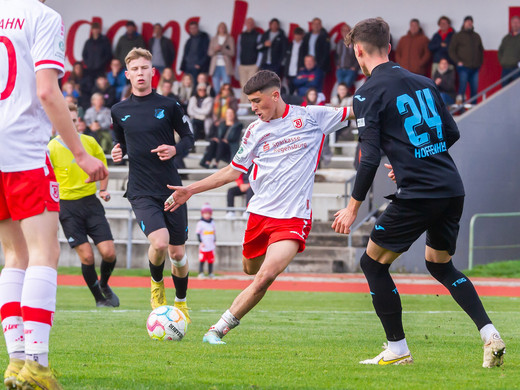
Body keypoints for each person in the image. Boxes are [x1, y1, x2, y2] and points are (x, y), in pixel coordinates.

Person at [333, 17, 505, 367]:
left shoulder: (366, 93)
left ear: (358, 51)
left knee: (372, 263)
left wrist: (353, 206)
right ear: (390, 46)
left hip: (421, 193)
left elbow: (368, 160)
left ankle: (397, 350)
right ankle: (489, 335)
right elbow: (450, 133)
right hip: (450, 187)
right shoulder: (424, 82)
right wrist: (411, 157)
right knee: (439, 265)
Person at [164, 70, 352, 344]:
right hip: (259, 214)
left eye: (256, 101)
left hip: (293, 218)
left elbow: (359, 108)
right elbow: (231, 172)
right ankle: (259, 269)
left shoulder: (311, 116)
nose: (252, 108)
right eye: (250, 102)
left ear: (275, 95)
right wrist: (189, 190)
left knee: (265, 276)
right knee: (251, 270)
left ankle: (216, 329)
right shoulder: (254, 130)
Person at [0, 1, 107, 388]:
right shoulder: (43, 17)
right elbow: (47, 91)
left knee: (13, 256)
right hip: (25, 150)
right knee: (43, 254)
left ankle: (14, 363)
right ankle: (38, 366)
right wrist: (79, 153)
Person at [111, 48, 194, 322]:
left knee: (178, 254)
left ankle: (180, 302)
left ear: (152, 72)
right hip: (141, 189)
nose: (140, 73)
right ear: (128, 75)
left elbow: (188, 139)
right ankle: (156, 285)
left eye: (144, 68)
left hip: (172, 188)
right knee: (160, 243)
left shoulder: (169, 105)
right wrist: (117, 150)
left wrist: (174, 149)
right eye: (135, 69)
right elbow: (120, 141)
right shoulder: (118, 110)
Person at [48, 103, 119, 308]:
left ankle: (104, 284)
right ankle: (99, 299)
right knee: (87, 256)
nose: (72, 125)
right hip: (67, 207)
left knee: (109, 253)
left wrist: (103, 190)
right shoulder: (51, 148)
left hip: (91, 203)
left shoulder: (89, 142)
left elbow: (103, 168)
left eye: (74, 120)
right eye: (67, 121)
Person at [449, 16, 484, 103]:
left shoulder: (476, 36)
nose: (469, 23)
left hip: (475, 67)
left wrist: (479, 62)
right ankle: (460, 110)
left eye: (471, 22)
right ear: (464, 23)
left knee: (474, 90)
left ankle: (474, 108)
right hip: (463, 67)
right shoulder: (458, 36)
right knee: (462, 89)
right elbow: (451, 50)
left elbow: (481, 50)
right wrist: (457, 61)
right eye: (467, 22)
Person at [237, 17, 261, 102]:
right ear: (245, 24)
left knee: (251, 86)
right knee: (243, 86)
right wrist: (238, 63)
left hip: (253, 64)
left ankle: (250, 106)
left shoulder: (258, 35)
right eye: (248, 23)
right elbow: (239, 49)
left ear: (253, 25)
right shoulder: (241, 35)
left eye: (251, 23)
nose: (249, 25)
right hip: (243, 64)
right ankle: (243, 105)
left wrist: (257, 64)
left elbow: (260, 51)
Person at [208, 22, 235, 94]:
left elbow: (232, 52)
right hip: (215, 65)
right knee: (216, 86)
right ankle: (218, 102)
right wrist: (215, 49)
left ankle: (226, 102)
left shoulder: (229, 38)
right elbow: (210, 52)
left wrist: (222, 49)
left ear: (225, 29)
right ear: (218, 29)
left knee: (226, 85)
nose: (222, 29)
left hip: (225, 65)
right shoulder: (214, 39)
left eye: (223, 27)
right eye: (220, 27)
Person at [498, 15, 520, 87]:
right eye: (514, 22)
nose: (515, 24)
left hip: (517, 70)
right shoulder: (506, 38)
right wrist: (502, 61)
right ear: (511, 24)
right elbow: (500, 51)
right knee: (504, 91)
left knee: (517, 91)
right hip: (505, 69)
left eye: (517, 22)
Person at [335, 23, 360, 89]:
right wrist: (337, 65)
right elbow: (336, 56)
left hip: (350, 70)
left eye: (347, 30)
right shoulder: (339, 43)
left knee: (345, 88)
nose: (345, 32)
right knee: (340, 88)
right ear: (341, 31)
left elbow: (358, 56)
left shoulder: (354, 43)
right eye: (344, 30)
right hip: (340, 69)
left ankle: (345, 99)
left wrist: (354, 67)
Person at [196, 203, 216, 279]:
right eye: (205, 213)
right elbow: (198, 233)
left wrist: (214, 241)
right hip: (204, 245)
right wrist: (201, 242)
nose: (207, 215)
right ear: (202, 214)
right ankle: (201, 273)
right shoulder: (200, 223)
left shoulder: (212, 222)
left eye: (209, 213)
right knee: (202, 259)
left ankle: (210, 273)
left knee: (211, 260)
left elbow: (214, 233)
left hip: (211, 245)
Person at [283, 27, 305, 95]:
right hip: (290, 71)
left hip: (300, 71)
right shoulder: (290, 45)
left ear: (302, 35)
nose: (297, 36)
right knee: (290, 89)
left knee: (299, 90)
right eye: (296, 34)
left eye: (299, 34)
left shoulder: (305, 45)